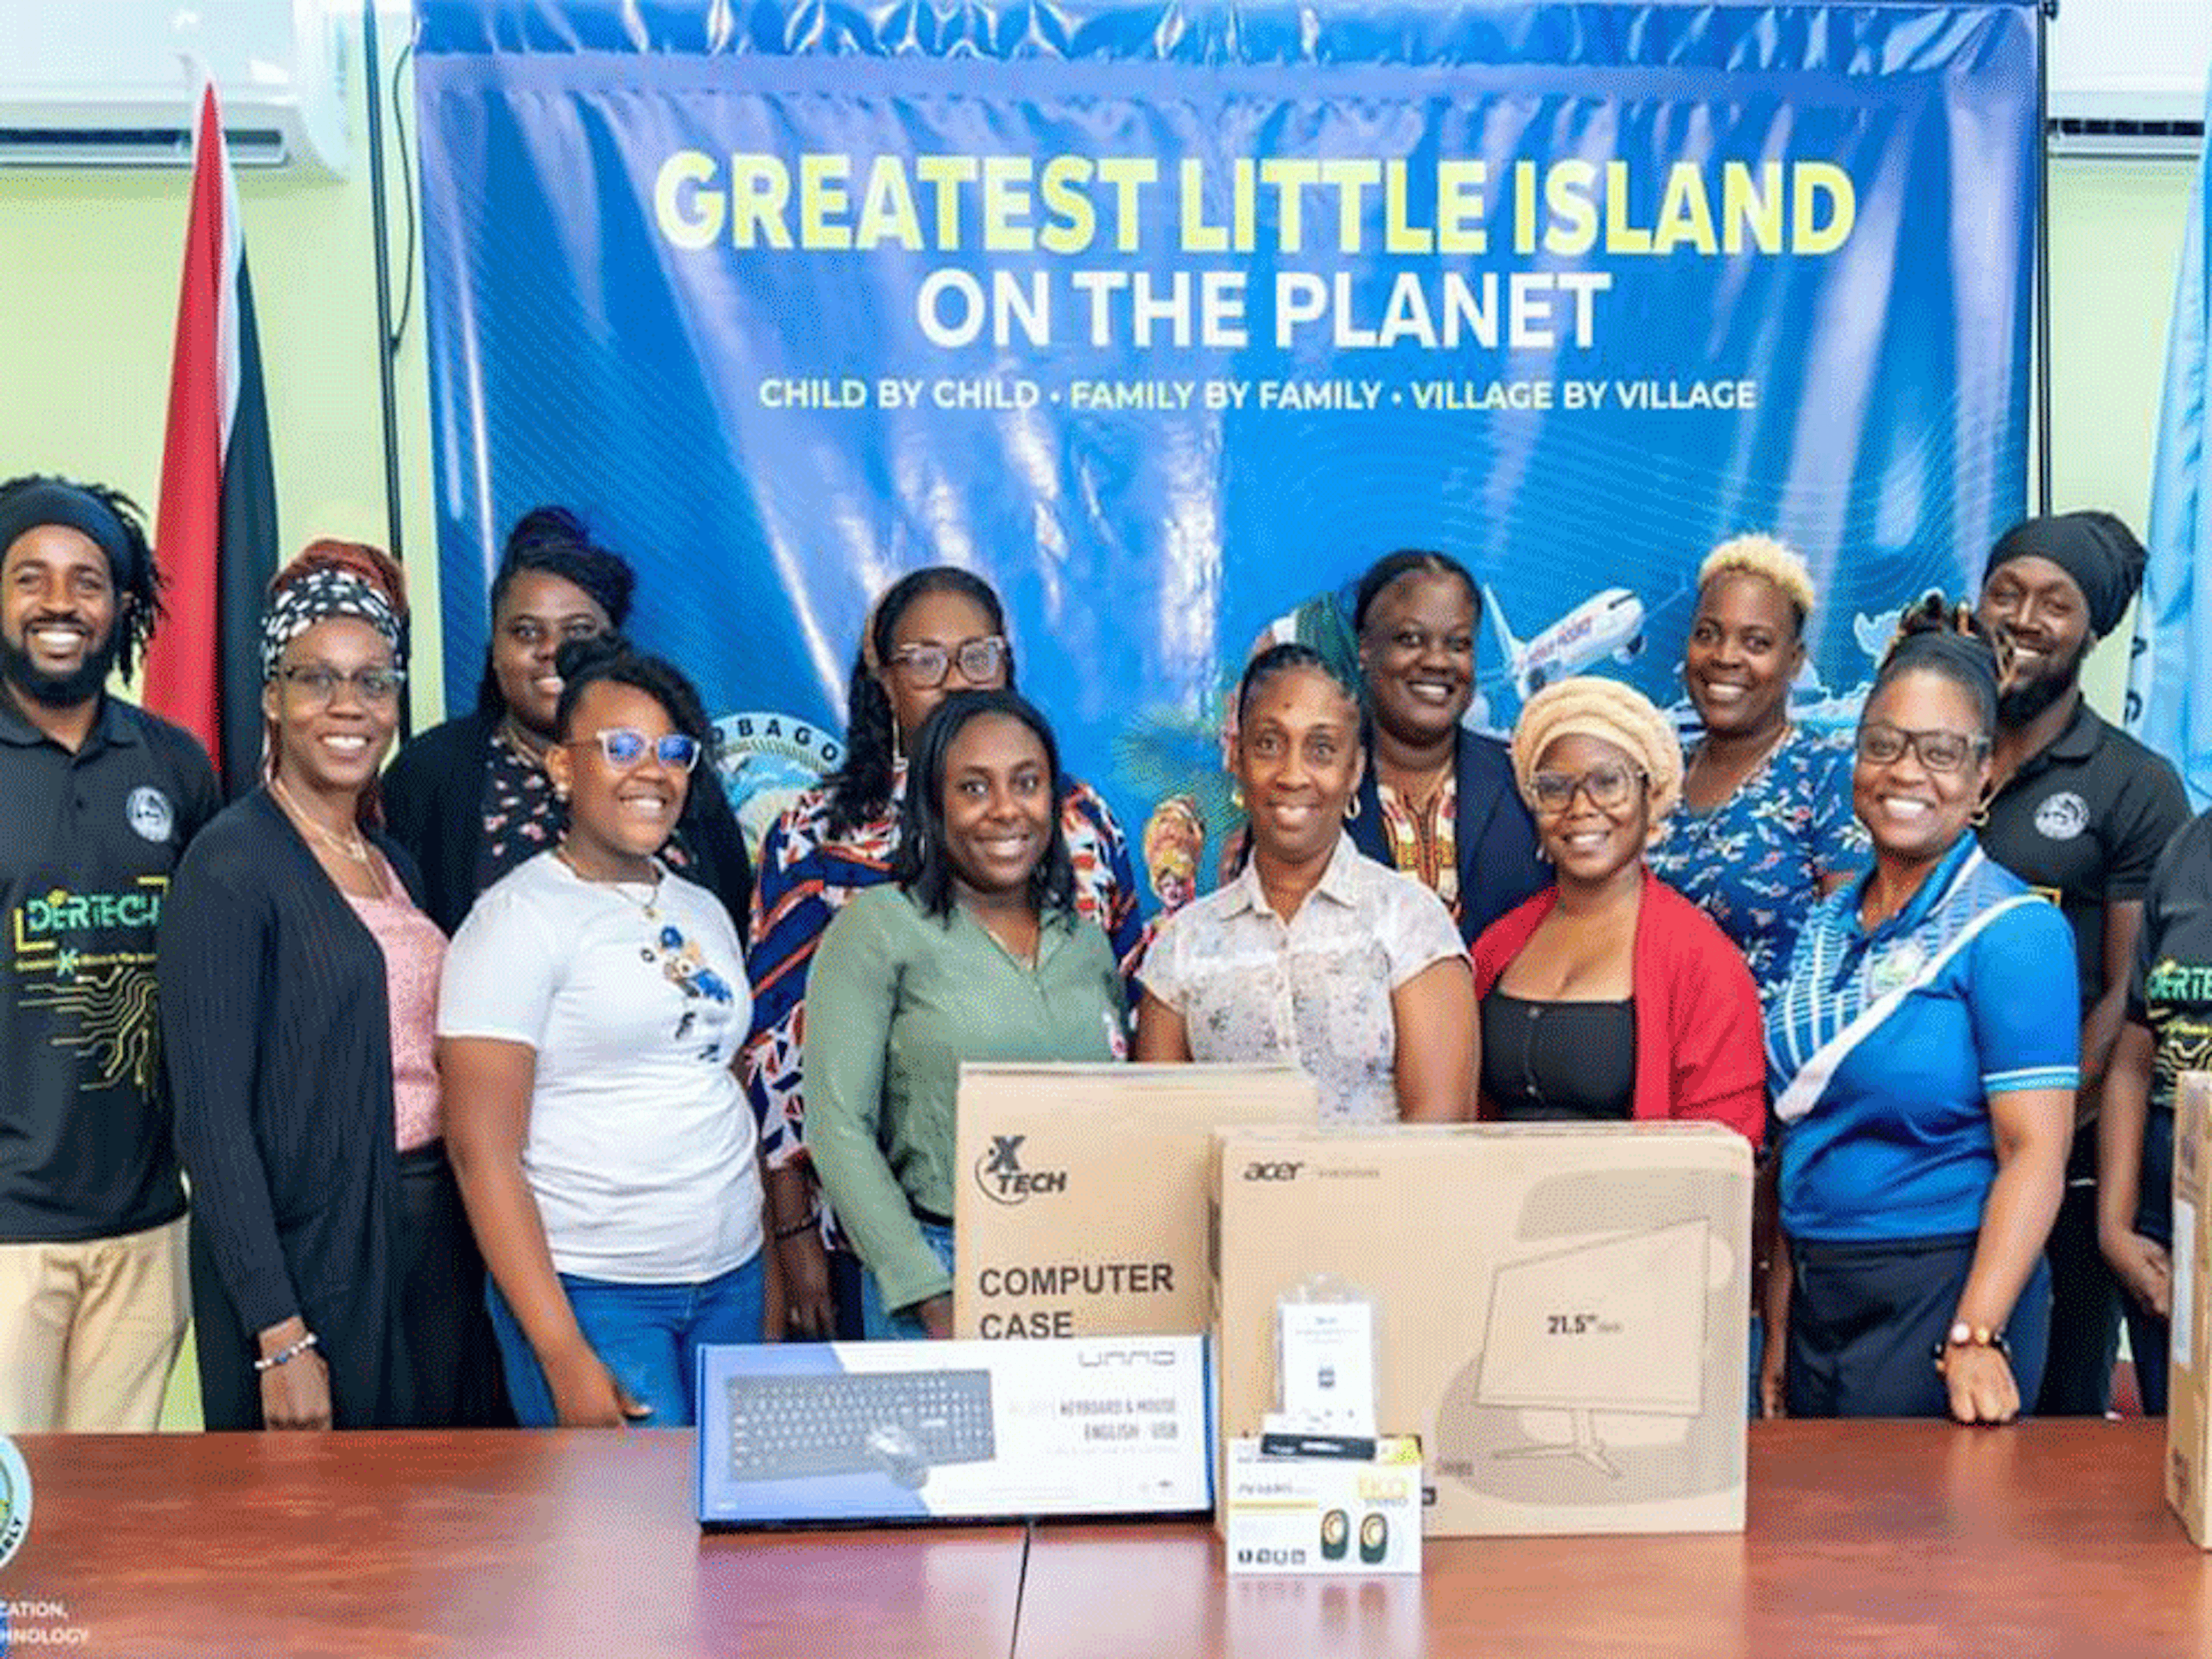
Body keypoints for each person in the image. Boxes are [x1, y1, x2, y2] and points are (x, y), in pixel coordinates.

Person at [743, 567, 1144, 1338]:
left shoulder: (1082, 819)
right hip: (895, 1229)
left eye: (977, 656)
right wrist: (797, 1237)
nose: (955, 681)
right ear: (883, 678)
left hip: (1078, 1250)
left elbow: (1125, 1032)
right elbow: (784, 1058)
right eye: (925, 660)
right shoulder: (817, 833)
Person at [162, 541, 493, 1430]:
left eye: (374, 682)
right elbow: (212, 1126)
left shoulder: (394, 862)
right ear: (272, 696)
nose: (349, 707)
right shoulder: (228, 866)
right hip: (313, 1262)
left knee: (437, 1541)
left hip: (430, 1242)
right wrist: (279, 1336)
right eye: (317, 680)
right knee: (326, 1552)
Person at [1765, 599, 2079, 1422]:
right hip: (1820, 1291)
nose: (1907, 772)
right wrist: (1779, 1320)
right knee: (1812, 1551)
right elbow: (1809, 1128)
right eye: (1884, 745)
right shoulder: (1828, 923)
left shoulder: (2014, 930)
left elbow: (2035, 1156)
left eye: (1941, 753)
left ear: (1985, 777)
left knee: (1911, 1552)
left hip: (1941, 1286)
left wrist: (1976, 1334)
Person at [440, 637, 766, 1427]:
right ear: (562, 767)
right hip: (598, 1294)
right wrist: (561, 1352)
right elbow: (481, 1154)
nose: (651, 771)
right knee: (625, 1543)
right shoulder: (516, 921)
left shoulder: (700, 908)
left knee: (735, 1539)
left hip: (731, 1281)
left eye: (672, 750)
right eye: (620, 747)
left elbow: (720, 1079)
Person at [0, 475, 218, 1432]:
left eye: (87, 581)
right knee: (16, 1544)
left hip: (146, 1227)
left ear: (123, 607)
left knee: (117, 1540)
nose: (59, 603)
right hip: (7, 1238)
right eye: (29, 578)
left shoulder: (175, 764)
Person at [805, 689, 1124, 1339]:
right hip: (939, 1271)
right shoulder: (878, 929)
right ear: (934, 806)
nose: (1006, 810)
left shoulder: (1086, 942)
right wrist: (931, 1294)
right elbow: (837, 1127)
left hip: (1084, 1273)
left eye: (1027, 784)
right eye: (974, 789)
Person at [1972, 511, 2189, 1418]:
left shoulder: (2132, 784)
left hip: (2071, 1161)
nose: (2023, 618)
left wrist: (2039, 1123)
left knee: (2054, 1422)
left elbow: (2127, 995)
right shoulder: (1931, 753)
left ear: (2092, 631)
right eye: (2006, 593)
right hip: (1937, 1152)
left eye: (2054, 604)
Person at [1135, 645, 1476, 1122]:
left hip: (1386, 1198)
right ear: (1236, 756)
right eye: (1269, 745)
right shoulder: (1182, 948)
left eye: (1322, 750)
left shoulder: (1409, 923)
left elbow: (1441, 1129)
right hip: (1229, 1200)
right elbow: (1161, 1141)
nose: (1293, 775)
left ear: (1355, 769)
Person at [381, 506, 752, 936]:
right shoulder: (430, 773)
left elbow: (735, 935)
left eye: (578, 631)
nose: (552, 650)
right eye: (525, 632)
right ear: (494, 649)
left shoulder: (672, 770)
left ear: (616, 644)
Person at [1471, 676, 1764, 1138]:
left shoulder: (1703, 964)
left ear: (1651, 797)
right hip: (1498, 1207)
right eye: (1554, 788)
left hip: (1644, 1210)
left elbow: (1723, 1152)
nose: (1580, 807)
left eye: (1608, 783)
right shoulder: (1498, 946)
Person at [1647, 535, 1868, 1003]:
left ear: (1794, 662)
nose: (1725, 657)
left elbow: (1849, 955)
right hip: (1650, 1059)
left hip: (1774, 1065)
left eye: (1757, 642)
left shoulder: (1829, 773)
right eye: (1707, 633)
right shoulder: (1660, 771)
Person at [1347, 550, 1550, 946]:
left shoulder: (1527, 784)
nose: (1438, 662)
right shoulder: (1316, 789)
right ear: (1366, 649)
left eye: (1458, 644)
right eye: (1410, 639)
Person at [2095, 806, 2212, 1415]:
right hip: (2168, 1237)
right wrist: (2117, 1229)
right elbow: (2134, 1063)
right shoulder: (2187, 847)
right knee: (2176, 1472)